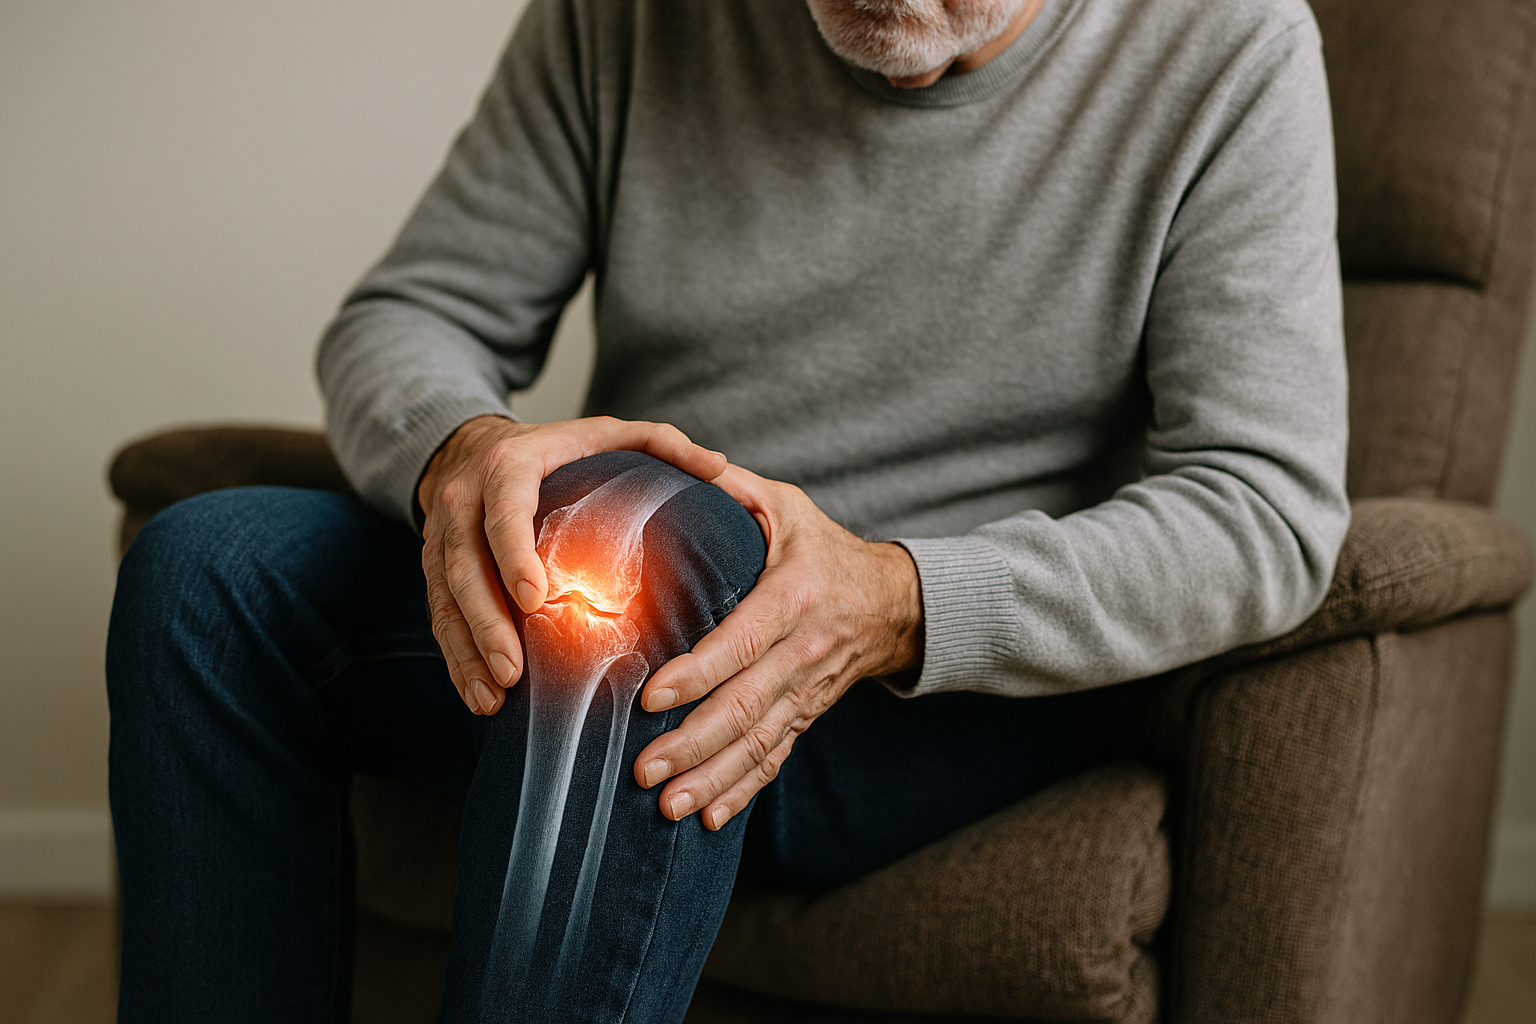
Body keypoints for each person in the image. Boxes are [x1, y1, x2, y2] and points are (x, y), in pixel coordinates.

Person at [105, 0, 1350, 1021]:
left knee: (647, 540)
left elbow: (1268, 511)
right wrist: (462, 450)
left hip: (923, 690)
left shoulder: (1228, 47)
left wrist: (895, 598)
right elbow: (410, 314)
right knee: (203, 574)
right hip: (603, 617)